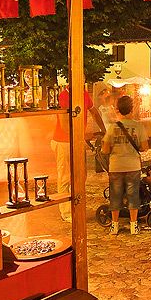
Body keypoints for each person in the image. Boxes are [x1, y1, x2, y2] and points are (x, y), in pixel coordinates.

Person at [53, 84, 105, 222]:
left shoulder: (83, 93)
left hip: (77, 139)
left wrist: (103, 130)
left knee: (81, 175)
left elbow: (94, 112)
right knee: (65, 177)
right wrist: (78, 139)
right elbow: (64, 124)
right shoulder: (64, 96)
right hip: (63, 141)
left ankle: (77, 206)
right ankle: (66, 212)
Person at [101, 95, 148, 235]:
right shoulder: (138, 126)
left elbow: (105, 149)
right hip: (133, 166)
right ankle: (134, 226)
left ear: (118, 110)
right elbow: (144, 147)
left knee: (115, 195)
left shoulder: (112, 128)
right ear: (131, 109)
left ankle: (114, 226)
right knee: (133, 195)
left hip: (116, 166)